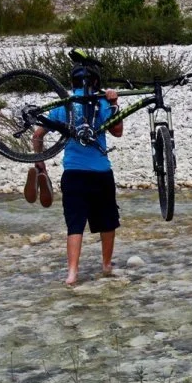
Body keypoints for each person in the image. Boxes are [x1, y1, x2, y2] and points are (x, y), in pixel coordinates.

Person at [31, 62, 123, 286]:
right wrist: (114, 103)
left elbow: (37, 136)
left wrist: (40, 162)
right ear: (95, 82)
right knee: (108, 221)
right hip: (101, 171)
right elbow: (118, 132)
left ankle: (72, 274)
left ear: (72, 83)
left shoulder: (64, 106)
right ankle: (106, 265)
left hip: (72, 173)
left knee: (75, 224)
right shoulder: (102, 103)